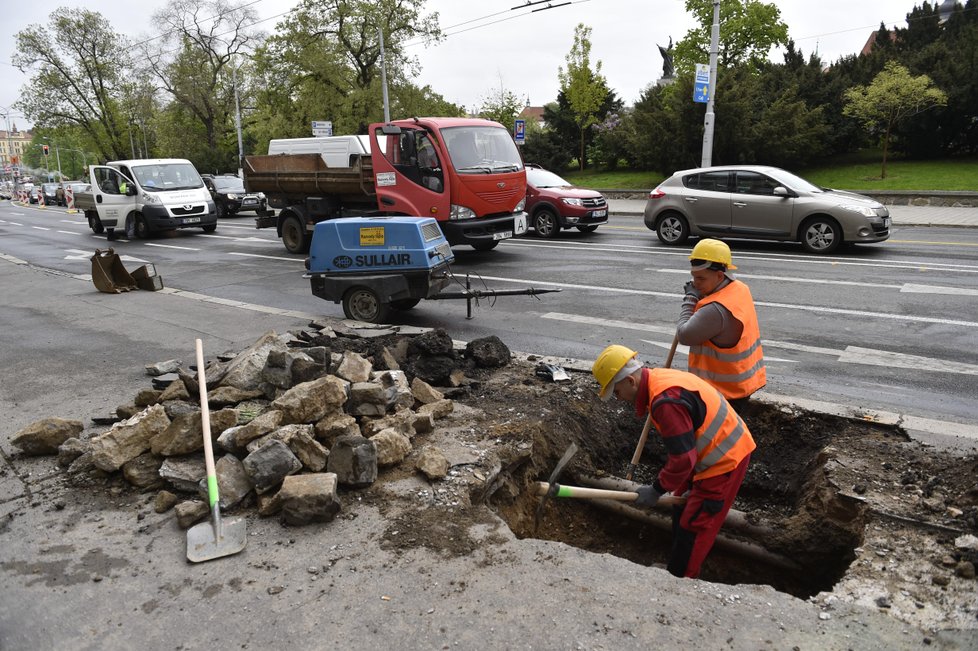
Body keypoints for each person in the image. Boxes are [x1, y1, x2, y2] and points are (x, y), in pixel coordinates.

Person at [592, 344, 755, 579]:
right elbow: (686, 451)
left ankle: (680, 581)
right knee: (680, 506)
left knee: (694, 524)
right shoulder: (660, 380)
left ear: (630, 381)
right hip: (709, 451)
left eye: (616, 392)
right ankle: (675, 567)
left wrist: (656, 489)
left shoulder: (665, 402)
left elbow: (682, 459)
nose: (618, 399)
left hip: (725, 459)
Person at [677, 238, 765, 412]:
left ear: (719, 275)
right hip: (739, 385)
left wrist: (690, 299)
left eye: (701, 278)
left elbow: (684, 335)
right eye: (693, 277)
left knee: (717, 437)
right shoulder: (739, 288)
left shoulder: (716, 310)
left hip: (721, 393)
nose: (695, 283)